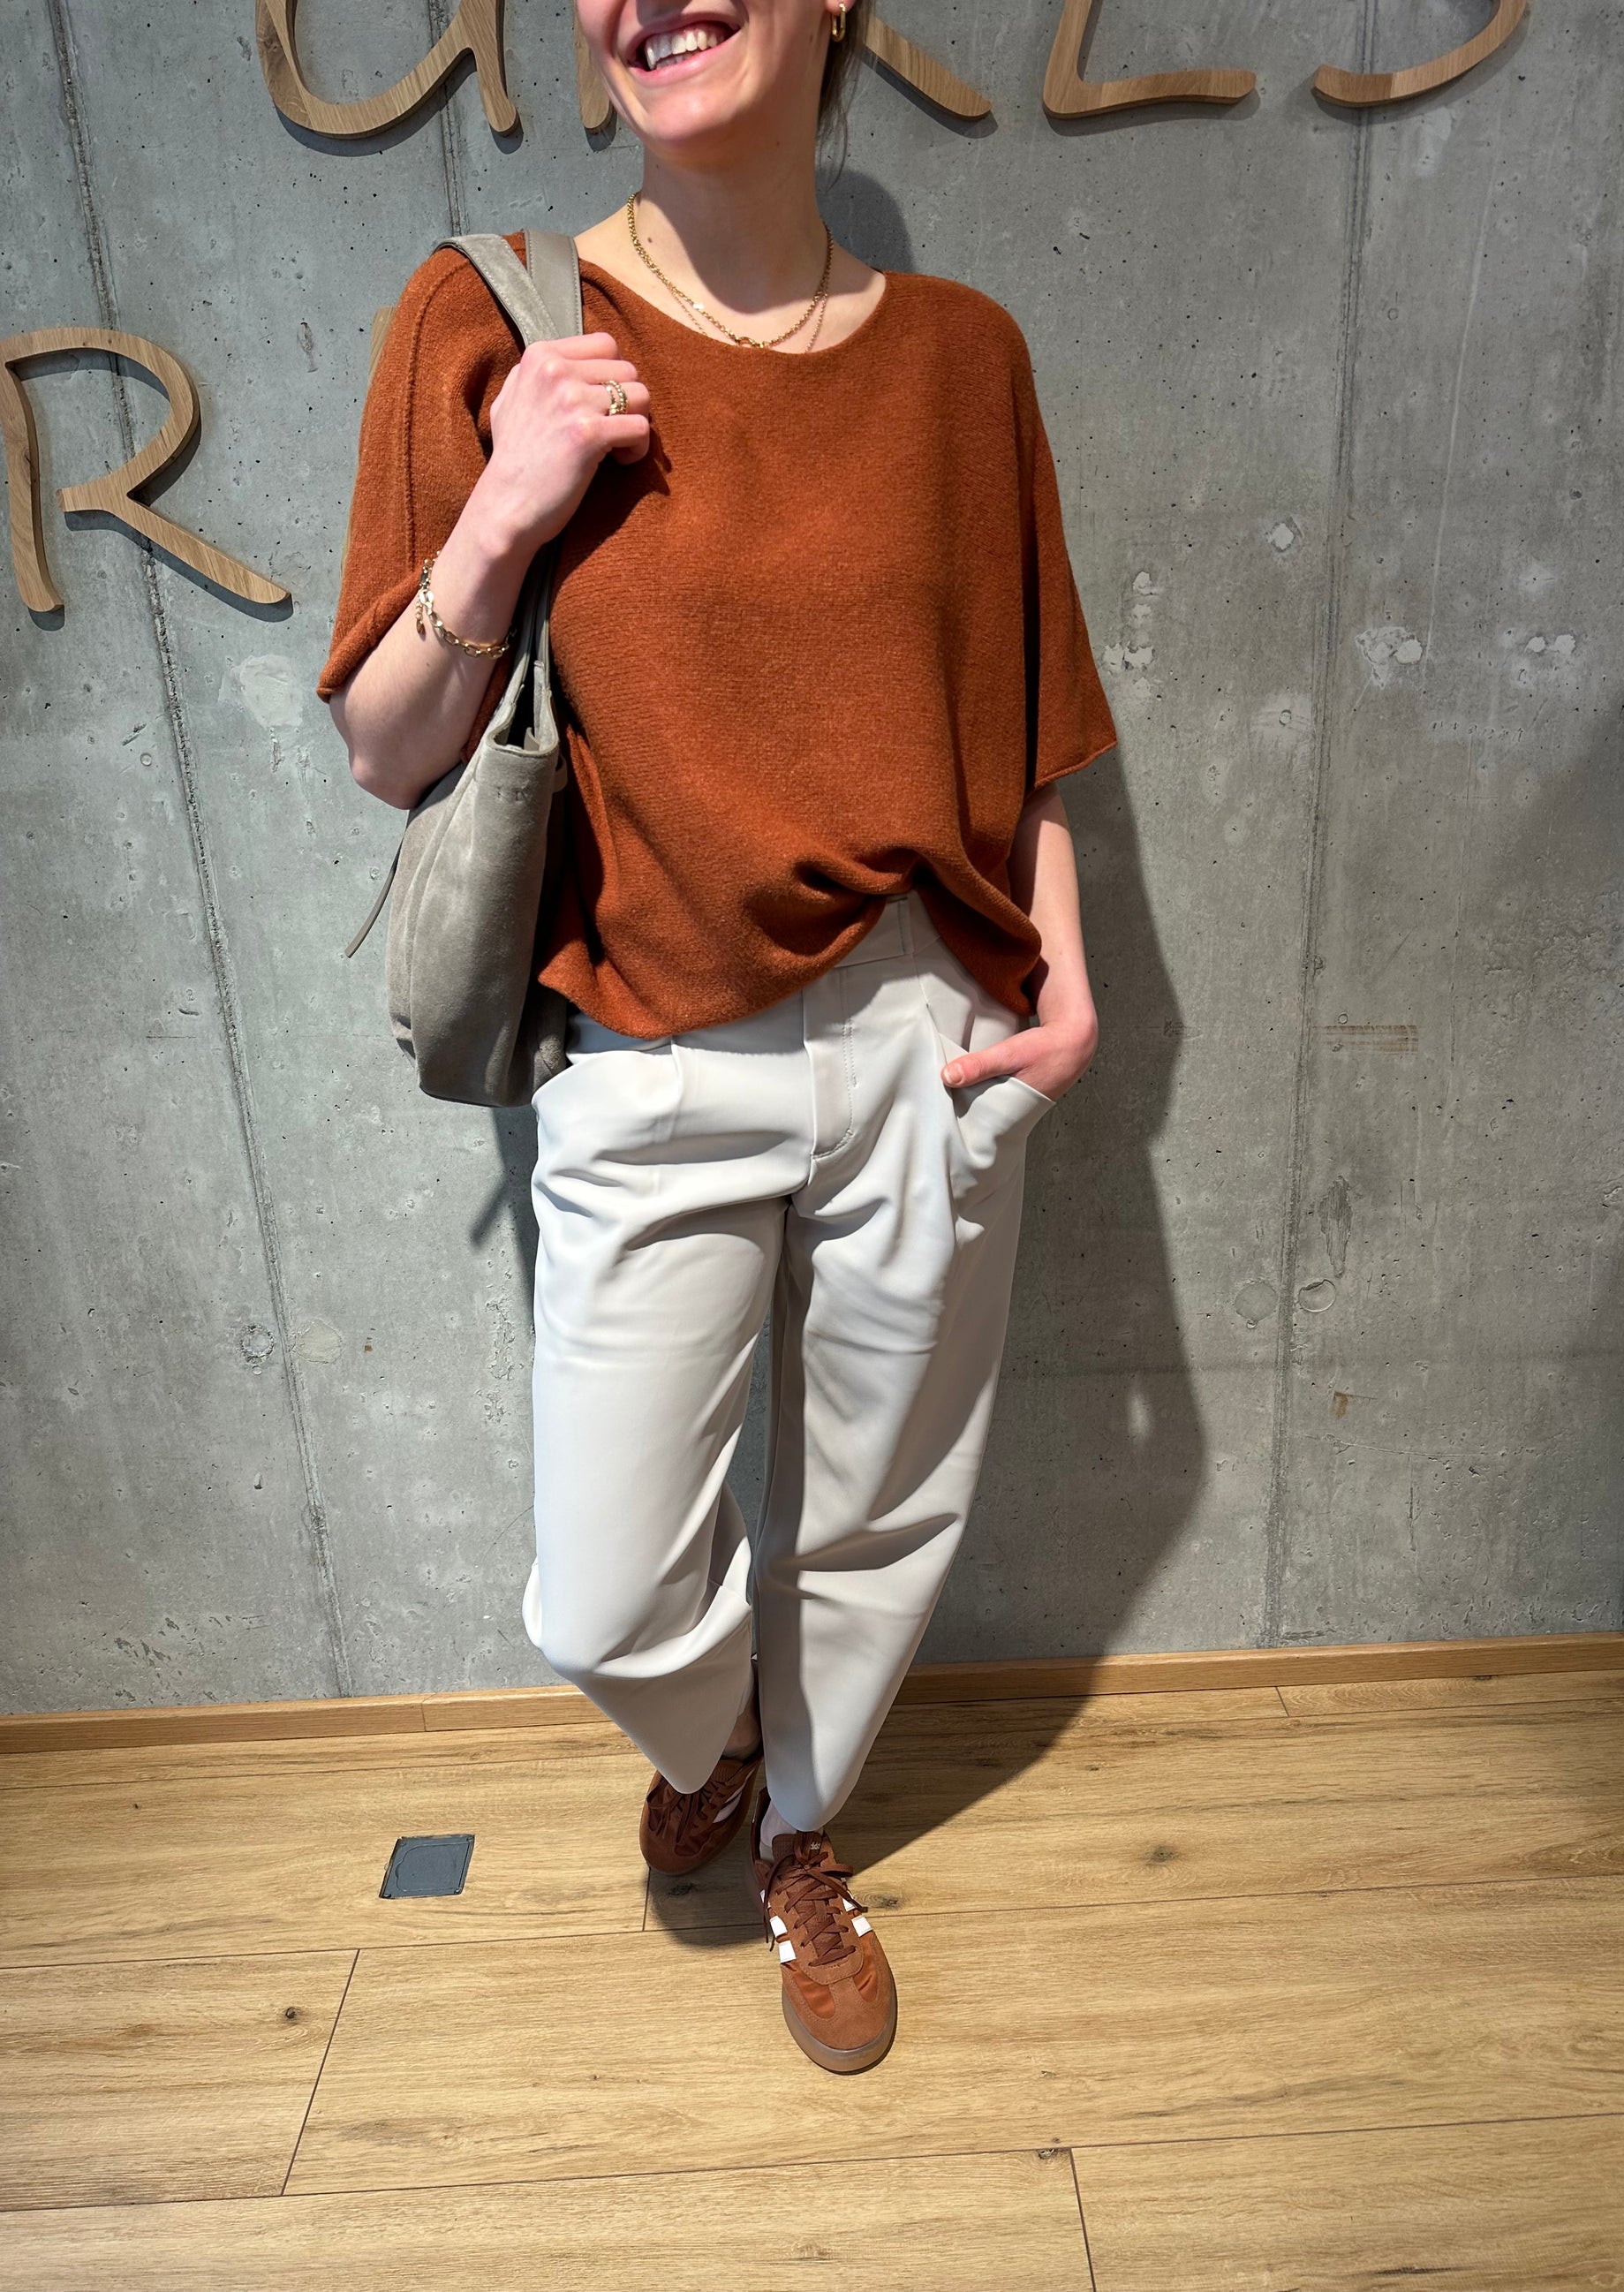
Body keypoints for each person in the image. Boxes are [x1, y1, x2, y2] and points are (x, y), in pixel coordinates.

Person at [319, 0, 1117, 2076]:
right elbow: (383, 743)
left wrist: (1063, 975)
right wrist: (504, 510)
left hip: (929, 1026)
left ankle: (795, 1835)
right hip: (647, 1037)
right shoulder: (492, 316)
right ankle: (724, 1744)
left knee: (876, 1514)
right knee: (602, 1594)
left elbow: (1026, 722)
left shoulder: (963, 360)